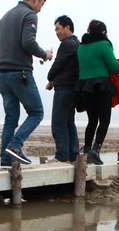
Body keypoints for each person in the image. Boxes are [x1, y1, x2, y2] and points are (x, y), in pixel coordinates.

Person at [0, 0, 53, 166]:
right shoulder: (29, 14)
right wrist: (44, 54)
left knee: (10, 119)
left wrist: (10, 50)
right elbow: (28, 42)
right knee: (37, 112)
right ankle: (15, 145)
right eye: (42, 3)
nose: (40, 9)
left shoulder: (5, 16)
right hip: (20, 74)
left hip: (3, 75)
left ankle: (5, 161)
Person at [75, 20, 119, 165]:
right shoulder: (104, 44)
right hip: (101, 86)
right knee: (104, 120)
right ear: (103, 32)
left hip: (84, 87)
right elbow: (115, 67)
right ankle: (96, 150)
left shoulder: (81, 47)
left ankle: (87, 150)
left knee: (92, 120)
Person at [45, 15, 79, 163]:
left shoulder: (67, 44)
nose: (57, 32)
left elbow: (58, 64)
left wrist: (50, 77)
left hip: (64, 89)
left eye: (58, 29)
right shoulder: (78, 43)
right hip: (73, 89)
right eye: (55, 30)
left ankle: (61, 156)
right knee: (69, 123)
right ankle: (73, 155)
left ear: (67, 28)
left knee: (59, 124)